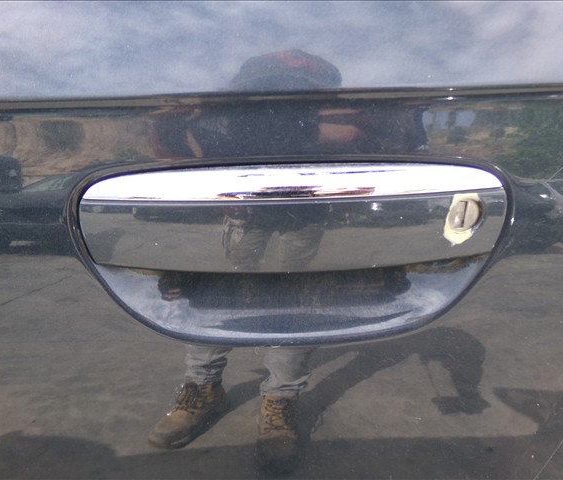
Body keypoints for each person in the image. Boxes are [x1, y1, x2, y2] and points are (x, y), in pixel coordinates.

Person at [147, 49, 428, 473]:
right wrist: (171, 123)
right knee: (213, 294)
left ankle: (280, 397)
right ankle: (203, 387)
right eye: (267, 89)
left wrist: (353, 126)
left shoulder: (337, 122)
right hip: (244, 215)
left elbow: (382, 142)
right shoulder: (217, 117)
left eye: (300, 95)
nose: (278, 102)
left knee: (295, 300)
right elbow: (172, 153)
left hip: (305, 216)